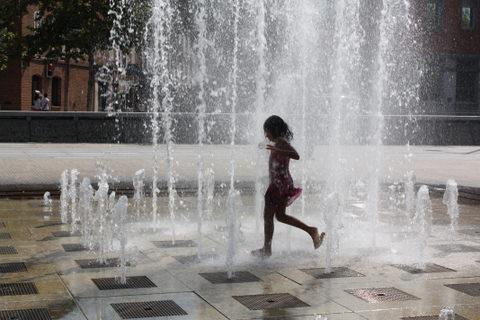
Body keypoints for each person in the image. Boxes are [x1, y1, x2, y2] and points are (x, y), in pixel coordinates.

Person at [252, 115, 325, 257]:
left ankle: (266, 250)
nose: (266, 134)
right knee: (280, 216)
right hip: (283, 183)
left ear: (274, 129)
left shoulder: (281, 143)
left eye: (267, 131)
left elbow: (296, 155)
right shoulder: (278, 143)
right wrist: (266, 146)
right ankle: (311, 231)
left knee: (268, 217)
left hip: (278, 186)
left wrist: (277, 150)